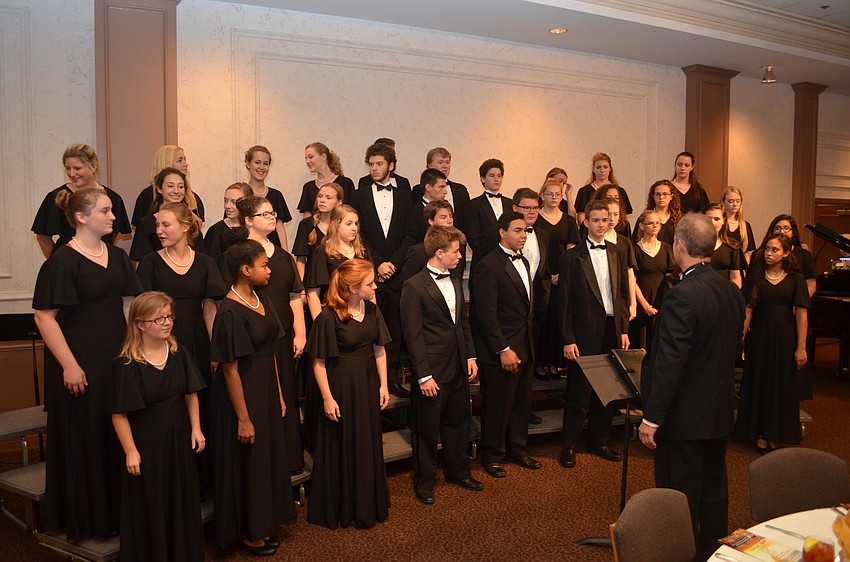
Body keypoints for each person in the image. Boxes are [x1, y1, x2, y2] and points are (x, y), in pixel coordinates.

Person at [33, 188, 142, 540]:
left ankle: (118, 515)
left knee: (115, 433)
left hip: (116, 357)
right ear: (81, 218)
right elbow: (44, 317)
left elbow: (128, 304)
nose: (113, 217)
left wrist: (134, 349)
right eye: (105, 211)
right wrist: (69, 365)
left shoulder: (117, 256)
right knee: (87, 438)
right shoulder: (62, 261)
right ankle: (90, 520)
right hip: (79, 361)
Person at [638, 212, 746, 562]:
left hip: (684, 418)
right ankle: (713, 554)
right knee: (714, 490)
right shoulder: (731, 291)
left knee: (679, 495)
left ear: (679, 246)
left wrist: (651, 417)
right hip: (718, 410)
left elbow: (671, 362)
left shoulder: (681, 295)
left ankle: (679, 555)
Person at [209, 240, 296, 555]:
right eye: (264, 265)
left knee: (265, 460)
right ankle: (249, 531)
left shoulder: (263, 299)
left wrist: (279, 395)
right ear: (246, 270)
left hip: (265, 391)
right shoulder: (229, 310)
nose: (269, 270)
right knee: (248, 464)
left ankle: (264, 522)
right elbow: (229, 370)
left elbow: (270, 352)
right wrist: (243, 419)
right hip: (241, 397)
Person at [108, 291, 206, 562]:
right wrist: (131, 451)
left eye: (169, 316)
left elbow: (191, 394)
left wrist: (196, 428)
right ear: (140, 324)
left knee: (181, 502)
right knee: (152, 505)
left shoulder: (179, 353)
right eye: (159, 318)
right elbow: (119, 414)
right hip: (147, 447)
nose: (167, 322)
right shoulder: (127, 364)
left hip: (178, 443)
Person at [136, 202, 225, 494]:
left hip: (198, 342)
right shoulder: (150, 262)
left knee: (202, 407)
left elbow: (210, 309)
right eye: (157, 225)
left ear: (186, 227)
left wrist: (215, 350)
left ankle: (204, 482)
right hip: (163, 344)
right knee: (172, 410)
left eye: (166, 225)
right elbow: (142, 312)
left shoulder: (206, 263)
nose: (159, 231)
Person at [307, 258, 391, 528]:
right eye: (370, 284)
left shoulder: (372, 310)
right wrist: (327, 398)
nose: (375, 287)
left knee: (366, 442)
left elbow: (379, 349)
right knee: (341, 445)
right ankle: (343, 508)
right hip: (341, 388)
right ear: (353, 288)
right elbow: (318, 362)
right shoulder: (328, 316)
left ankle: (367, 505)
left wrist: (384, 385)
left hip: (367, 384)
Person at [401, 226, 481, 504]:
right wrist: (423, 375)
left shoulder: (455, 277)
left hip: (458, 365)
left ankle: (458, 473)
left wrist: (470, 356)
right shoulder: (413, 286)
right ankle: (424, 482)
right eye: (456, 252)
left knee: (459, 422)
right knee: (425, 429)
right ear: (439, 253)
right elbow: (413, 335)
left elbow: (462, 323)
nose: (460, 256)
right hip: (432, 371)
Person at [232, 196, 307, 473]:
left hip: (283, 336)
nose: (272, 217)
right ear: (248, 221)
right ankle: (262, 464)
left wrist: (300, 333)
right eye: (265, 214)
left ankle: (290, 460)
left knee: (286, 392)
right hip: (253, 338)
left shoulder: (284, 257)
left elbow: (294, 297)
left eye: (273, 213)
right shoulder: (238, 255)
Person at [558, 199, 631, 468]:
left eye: (605, 220)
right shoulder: (570, 257)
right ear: (586, 222)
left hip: (612, 330)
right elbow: (563, 303)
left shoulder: (618, 252)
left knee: (607, 391)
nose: (602, 224)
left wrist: (624, 329)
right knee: (578, 393)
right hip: (583, 333)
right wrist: (568, 338)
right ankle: (568, 446)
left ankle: (599, 441)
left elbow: (622, 295)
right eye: (596, 220)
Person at [471, 211, 542, 478]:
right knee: (498, 405)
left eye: (526, 231)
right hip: (500, 350)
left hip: (525, 345)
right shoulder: (488, 265)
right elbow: (485, 315)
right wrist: (503, 349)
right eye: (517, 230)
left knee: (521, 403)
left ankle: (517, 449)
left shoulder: (524, 260)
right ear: (502, 233)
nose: (523, 235)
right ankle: (492, 455)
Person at [350, 142, 415, 398]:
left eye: (379, 164)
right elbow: (360, 235)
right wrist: (378, 264)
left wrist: (393, 264)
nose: (374, 169)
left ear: (391, 166)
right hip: (370, 273)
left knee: (395, 330)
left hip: (397, 274)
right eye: (371, 164)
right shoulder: (359, 195)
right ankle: (370, 382)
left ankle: (392, 380)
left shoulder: (405, 196)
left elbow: (410, 234)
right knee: (370, 328)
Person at [735, 233, 810, 452]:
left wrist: (801, 347)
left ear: (786, 253)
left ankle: (775, 434)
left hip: (785, 339)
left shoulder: (796, 279)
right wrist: (741, 339)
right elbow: (749, 310)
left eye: (774, 250)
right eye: (767, 249)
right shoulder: (756, 277)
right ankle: (760, 433)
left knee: (781, 385)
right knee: (760, 382)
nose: (769, 253)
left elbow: (801, 314)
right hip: (760, 338)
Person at [32, 143, 131, 258]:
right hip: (68, 262)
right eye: (68, 168)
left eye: (77, 168)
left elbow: (113, 235)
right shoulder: (57, 197)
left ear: (93, 166)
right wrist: (57, 262)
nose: (72, 173)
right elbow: (42, 237)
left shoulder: (113, 198)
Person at [535, 178, 580, 378]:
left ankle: (554, 363)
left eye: (557, 194)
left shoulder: (569, 221)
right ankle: (539, 362)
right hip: (540, 275)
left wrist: (563, 274)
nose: (553, 197)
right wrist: (547, 275)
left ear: (562, 197)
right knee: (541, 319)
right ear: (542, 196)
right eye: (549, 194)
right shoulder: (536, 218)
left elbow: (571, 250)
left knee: (557, 319)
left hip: (562, 276)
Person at [510, 188, 552, 385]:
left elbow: (543, 270)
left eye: (535, 208)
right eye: (526, 208)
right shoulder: (501, 236)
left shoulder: (543, 235)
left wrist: (545, 295)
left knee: (531, 353)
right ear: (515, 208)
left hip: (536, 303)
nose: (532, 212)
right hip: (512, 307)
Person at [306, 205, 372, 320]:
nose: (354, 228)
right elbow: (313, 294)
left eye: (356, 224)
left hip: (360, 314)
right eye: (349, 224)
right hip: (334, 315)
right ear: (336, 225)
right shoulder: (322, 252)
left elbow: (371, 289)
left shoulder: (362, 252)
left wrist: (372, 318)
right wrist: (320, 324)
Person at [130, 167, 206, 264]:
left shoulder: (191, 221)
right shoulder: (146, 224)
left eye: (180, 187)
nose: (176, 191)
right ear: (159, 189)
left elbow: (201, 258)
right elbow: (139, 262)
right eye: (170, 186)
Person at [631, 210, 676, 351]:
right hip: (641, 300)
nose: (655, 226)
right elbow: (632, 279)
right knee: (642, 341)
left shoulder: (666, 248)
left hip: (662, 299)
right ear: (641, 226)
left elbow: (670, 276)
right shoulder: (634, 249)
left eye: (657, 223)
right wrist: (645, 306)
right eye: (650, 223)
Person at [131, 145, 205, 229]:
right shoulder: (147, 195)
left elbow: (197, 228)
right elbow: (140, 229)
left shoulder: (192, 197)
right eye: (180, 160)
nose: (186, 164)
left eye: (185, 159)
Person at [750, 214, 817, 298]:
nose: (781, 231)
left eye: (786, 228)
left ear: (793, 232)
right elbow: (750, 282)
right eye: (777, 228)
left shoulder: (804, 255)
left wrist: (801, 302)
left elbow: (811, 285)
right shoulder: (758, 254)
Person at [466, 158, 513, 276]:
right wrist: (489, 255)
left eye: (499, 175)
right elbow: (473, 236)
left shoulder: (510, 203)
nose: (496, 179)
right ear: (482, 179)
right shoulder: (474, 204)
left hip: (508, 259)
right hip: (483, 259)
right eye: (492, 176)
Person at [399, 200, 464, 284]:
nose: (449, 221)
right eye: (443, 217)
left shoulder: (458, 248)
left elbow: (457, 279)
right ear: (431, 221)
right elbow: (408, 284)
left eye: (451, 216)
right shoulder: (418, 252)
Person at [243, 145, 293, 249]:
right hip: (247, 250)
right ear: (248, 163)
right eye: (257, 162)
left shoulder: (276, 195)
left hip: (273, 250)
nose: (262, 167)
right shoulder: (241, 194)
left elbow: (280, 229)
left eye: (266, 163)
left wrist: (285, 254)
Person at [292, 182, 343, 282]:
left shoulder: (344, 226)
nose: (322, 200)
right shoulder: (306, 224)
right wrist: (300, 287)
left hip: (338, 282)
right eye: (320, 196)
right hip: (312, 282)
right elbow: (301, 260)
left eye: (328, 197)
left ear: (339, 202)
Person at [411, 147, 471, 230]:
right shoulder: (418, 190)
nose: (445, 166)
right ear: (429, 165)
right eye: (440, 162)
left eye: (447, 162)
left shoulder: (461, 190)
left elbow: (467, 218)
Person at [297, 142, 355, 218]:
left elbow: (350, 212)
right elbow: (306, 217)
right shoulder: (308, 187)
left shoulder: (345, 183)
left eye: (311, 157)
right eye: (306, 158)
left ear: (323, 157)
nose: (307, 161)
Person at [574, 152, 633, 225]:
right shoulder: (584, 192)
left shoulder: (620, 191)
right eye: (598, 167)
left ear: (610, 169)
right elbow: (581, 219)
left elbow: (624, 218)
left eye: (605, 167)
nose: (602, 170)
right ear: (593, 169)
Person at [204, 182, 253, 263]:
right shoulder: (216, 231)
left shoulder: (254, 227)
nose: (227, 206)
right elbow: (211, 263)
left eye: (234, 202)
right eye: (226, 201)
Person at [703, 203, 744, 289]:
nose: (712, 222)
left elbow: (735, 278)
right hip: (700, 291)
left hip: (723, 292)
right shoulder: (693, 244)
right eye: (708, 219)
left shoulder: (732, 245)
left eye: (717, 219)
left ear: (723, 221)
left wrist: (733, 294)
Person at [633, 179, 681, 246]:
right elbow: (635, 242)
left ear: (671, 196)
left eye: (665, 194)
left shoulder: (679, 219)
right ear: (653, 196)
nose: (661, 197)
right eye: (657, 194)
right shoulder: (645, 218)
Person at [406, 167, 449, 243]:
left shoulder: (447, 208)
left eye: (445, 187)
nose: (445, 191)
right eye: (441, 187)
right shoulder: (414, 212)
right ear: (428, 187)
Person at [720, 186, 755, 265]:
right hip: (722, 264)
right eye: (730, 201)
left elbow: (746, 252)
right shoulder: (720, 224)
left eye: (738, 201)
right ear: (723, 202)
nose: (735, 204)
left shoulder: (745, 225)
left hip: (739, 265)